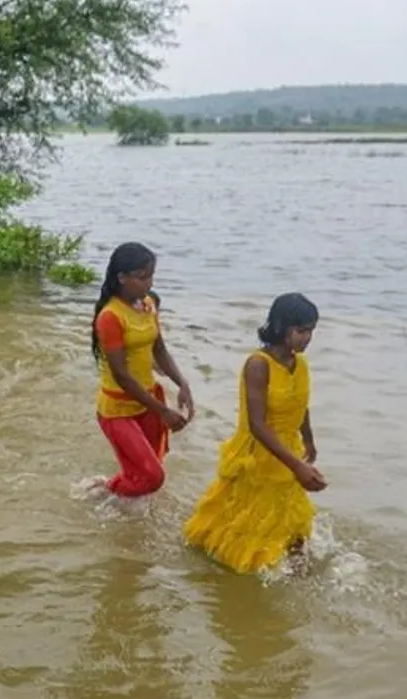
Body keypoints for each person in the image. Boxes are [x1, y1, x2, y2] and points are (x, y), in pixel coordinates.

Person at [182, 293, 327, 575]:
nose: (307, 338)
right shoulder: (258, 364)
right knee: (249, 520)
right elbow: (258, 425)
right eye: (301, 331)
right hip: (258, 453)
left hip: (288, 448)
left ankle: (295, 570)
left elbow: (300, 403)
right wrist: (297, 465)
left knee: (290, 516)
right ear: (281, 326)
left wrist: (308, 439)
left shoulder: (301, 364)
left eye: (311, 331)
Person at [91, 242, 194, 498]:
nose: (148, 283)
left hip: (146, 402)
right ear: (122, 277)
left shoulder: (148, 304)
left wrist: (183, 383)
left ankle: (117, 500)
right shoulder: (110, 316)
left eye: (151, 276)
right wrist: (163, 411)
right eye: (142, 277)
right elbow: (122, 376)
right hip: (117, 409)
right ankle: (108, 491)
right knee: (152, 477)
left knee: (146, 472)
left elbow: (159, 349)